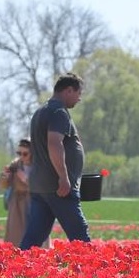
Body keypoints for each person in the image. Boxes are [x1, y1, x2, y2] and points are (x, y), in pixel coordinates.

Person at [21, 73, 91, 248]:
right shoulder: (58, 112)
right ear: (68, 90)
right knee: (80, 236)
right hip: (57, 187)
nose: (79, 98)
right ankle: (94, 274)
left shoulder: (41, 111)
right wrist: (64, 177)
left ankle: (14, 273)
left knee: (33, 238)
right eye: (78, 93)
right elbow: (54, 143)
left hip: (40, 185)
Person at [0, 140, 34, 246]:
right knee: (15, 233)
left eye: (25, 153)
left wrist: (25, 179)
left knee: (36, 231)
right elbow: (3, 185)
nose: (21, 156)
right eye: (19, 153)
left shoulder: (40, 165)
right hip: (17, 203)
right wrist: (4, 176)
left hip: (34, 201)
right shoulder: (14, 164)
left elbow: (42, 185)